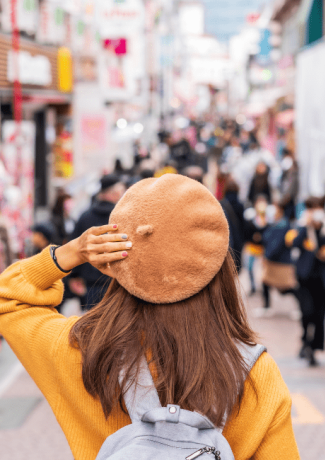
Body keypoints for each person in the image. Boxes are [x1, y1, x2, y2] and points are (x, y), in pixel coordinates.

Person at [0, 174, 299, 460]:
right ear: (219, 267)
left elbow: (7, 296)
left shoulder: (80, 352)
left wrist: (71, 253)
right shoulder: (254, 375)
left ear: (117, 258)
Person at [287, 197, 325, 366]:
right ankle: (305, 339)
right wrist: (306, 226)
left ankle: (312, 347)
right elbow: (294, 244)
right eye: (312, 208)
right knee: (307, 312)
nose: (315, 212)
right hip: (305, 278)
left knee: (320, 316)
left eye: (318, 208)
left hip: (323, 279)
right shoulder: (302, 226)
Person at [69, 174, 126, 311]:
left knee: (93, 327)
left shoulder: (85, 216)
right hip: (119, 282)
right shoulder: (123, 217)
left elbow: (76, 246)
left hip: (91, 284)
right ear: (115, 193)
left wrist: (74, 276)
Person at [243, 195, 270, 309]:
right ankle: (253, 286)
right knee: (249, 267)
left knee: (263, 268)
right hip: (251, 246)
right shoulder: (250, 216)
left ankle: (262, 287)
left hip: (262, 248)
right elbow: (246, 230)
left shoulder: (268, 218)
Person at [220, 176, 245, 273]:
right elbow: (243, 224)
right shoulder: (240, 205)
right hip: (238, 237)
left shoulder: (222, 203)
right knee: (236, 263)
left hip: (226, 236)